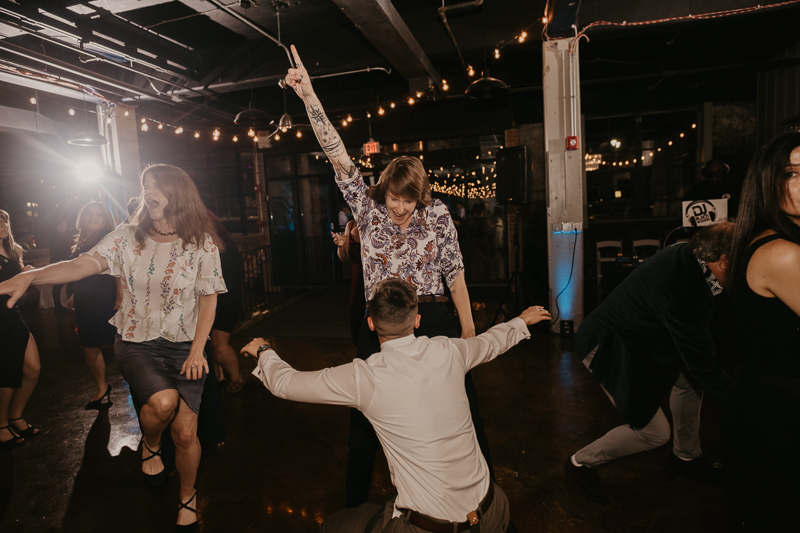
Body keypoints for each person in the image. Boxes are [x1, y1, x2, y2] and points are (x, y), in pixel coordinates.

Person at [284, 45, 494, 507]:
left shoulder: (437, 213)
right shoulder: (368, 208)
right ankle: (354, 507)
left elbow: (455, 274)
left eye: (407, 199)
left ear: (419, 195)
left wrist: (468, 333)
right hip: (380, 325)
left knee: (463, 412)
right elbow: (337, 154)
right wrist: (310, 98)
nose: (399, 207)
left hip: (435, 319)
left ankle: (483, 500)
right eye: (393, 198)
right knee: (364, 423)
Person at [0, 165, 227, 530]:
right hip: (137, 341)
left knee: (186, 432)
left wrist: (199, 348)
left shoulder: (200, 242)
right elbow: (81, 264)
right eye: (145, 186)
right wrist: (32, 275)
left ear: (178, 194)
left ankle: (188, 495)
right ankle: (151, 441)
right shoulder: (126, 236)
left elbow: (209, 297)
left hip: (186, 346)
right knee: (164, 403)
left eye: (156, 187)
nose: (148, 192)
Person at [241, 278, 552, 532]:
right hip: (493, 512)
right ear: (417, 320)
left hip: (431, 530)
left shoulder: (365, 377)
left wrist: (264, 350)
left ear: (372, 324)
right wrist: (521, 321)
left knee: (335, 525)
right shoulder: (450, 351)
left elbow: (285, 384)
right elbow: (492, 342)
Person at [564, 223, 734, 504]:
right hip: (608, 345)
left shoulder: (687, 254)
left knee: (690, 384)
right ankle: (579, 462)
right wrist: (742, 406)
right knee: (653, 432)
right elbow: (704, 362)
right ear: (723, 260)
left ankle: (686, 458)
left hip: (639, 341)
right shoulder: (686, 288)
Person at [725, 132, 800, 531]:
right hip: (779, 417)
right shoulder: (782, 253)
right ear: (768, 183)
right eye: (793, 172)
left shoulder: (775, 240)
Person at [64, 201, 118, 409]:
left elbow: (117, 270)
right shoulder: (81, 240)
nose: (93, 217)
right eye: (89, 213)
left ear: (106, 220)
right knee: (89, 346)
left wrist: (120, 297)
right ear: (82, 217)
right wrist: (74, 295)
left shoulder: (107, 239)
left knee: (118, 344)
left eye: (99, 214)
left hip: (106, 298)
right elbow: (79, 272)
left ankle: (140, 387)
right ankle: (101, 388)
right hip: (86, 302)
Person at [0, 209, 41, 450]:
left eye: (4, 219)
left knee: (33, 368)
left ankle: (15, 415)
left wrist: (25, 274)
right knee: (7, 373)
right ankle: (1, 424)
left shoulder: (13, 250)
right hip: (0, 318)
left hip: (13, 314)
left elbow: (17, 288)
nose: (3, 224)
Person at [206, 210, 246, 394]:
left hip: (227, 300)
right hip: (210, 301)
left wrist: (212, 286)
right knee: (209, 345)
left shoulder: (225, 247)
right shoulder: (198, 246)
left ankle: (237, 377)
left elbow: (236, 277)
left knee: (218, 345)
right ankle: (218, 377)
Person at [332, 219, 365, 345]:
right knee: (356, 313)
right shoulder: (350, 225)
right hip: (357, 278)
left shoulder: (376, 221)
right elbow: (343, 257)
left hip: (373, 277)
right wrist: (340, 245)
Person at [49, 217, 74, 311]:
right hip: (60, 263)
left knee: (67, 284)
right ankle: (58, 306)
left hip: (65, 262)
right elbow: (56, 252)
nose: (66, 227)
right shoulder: (56, 237)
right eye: (64, 225)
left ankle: (67, 304)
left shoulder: (62, 235)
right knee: (59, 285)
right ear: (58, 226)